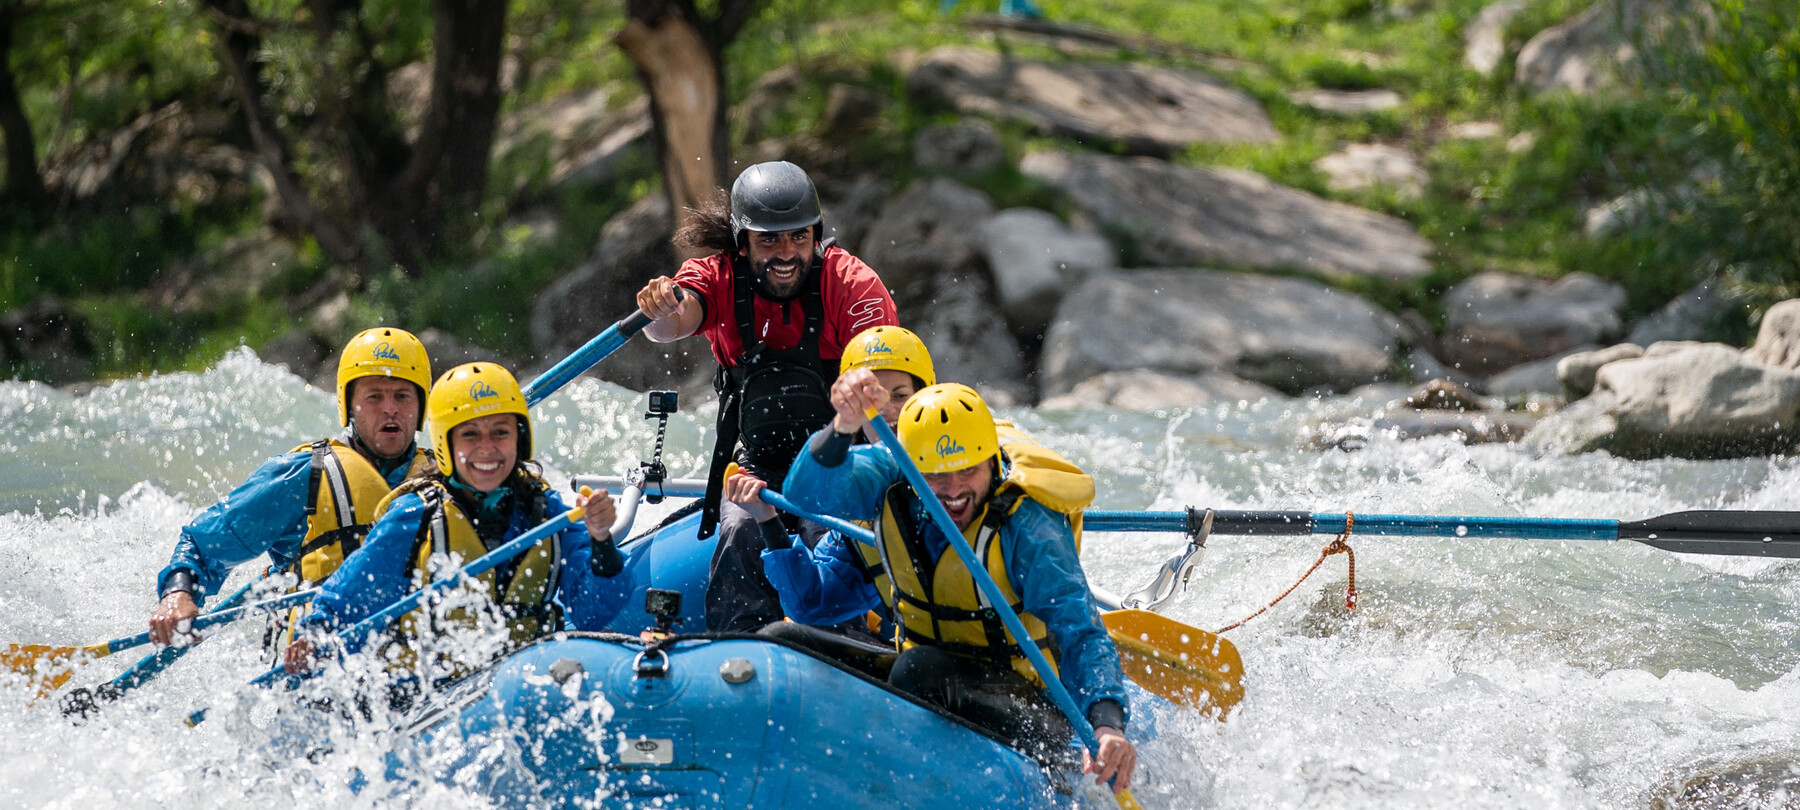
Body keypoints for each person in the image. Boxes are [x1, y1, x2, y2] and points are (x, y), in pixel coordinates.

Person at [774, 381, 1136, 791]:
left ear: (991, 462)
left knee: (918, 670)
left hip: (1028, 705)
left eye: (969, 470)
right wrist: (844, 424)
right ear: (912, 470)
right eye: (936, 476)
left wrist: (1107, 725)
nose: (954, 490)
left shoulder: (1028, 525)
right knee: (781, 640)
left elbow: (1080, 632)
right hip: (925, 675)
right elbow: (804, 493)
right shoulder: (890, 479)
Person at [634, 160, 898, 632]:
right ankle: (737, 654)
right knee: (738, 530)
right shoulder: (716, 277)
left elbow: (889, 371)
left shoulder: (850, 282)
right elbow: (670, 323)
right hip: (758, 465)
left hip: (842, 464)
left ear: (815, 235)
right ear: (742, 243)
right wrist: (660, 307)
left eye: (799, 237)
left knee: (828, 535)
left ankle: (855, 657)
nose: (786, 253)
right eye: (769, 239)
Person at [283, 363, 630, 694]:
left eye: (500, 433)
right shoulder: (415, 516)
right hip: (430, 700)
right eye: (469, 435)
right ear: (447, 445)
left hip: (523, 681)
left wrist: (600, 539)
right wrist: (314, 639)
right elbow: (348, 602)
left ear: (519, 440)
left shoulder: (547, 511)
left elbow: (594, 611)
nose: (487, 448)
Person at [149, 327, 434, 647]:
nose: (390, 408)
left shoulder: (445, 479)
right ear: (348, 405)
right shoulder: (304, 475)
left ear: (421, 405)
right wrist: (178, 592)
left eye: (402, 396)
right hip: (314, 662)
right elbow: (202, 543)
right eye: (374, 397)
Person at [722, 324, 936, 661]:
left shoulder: (960, 471)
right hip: (915, 655)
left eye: (900, 395)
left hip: (982, 665)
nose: (887, 409)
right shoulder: (867, 494)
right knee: (781, 636)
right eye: (873, 397)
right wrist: (768, 521)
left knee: (918, 666)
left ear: (924, 395)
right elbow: (813, 602)